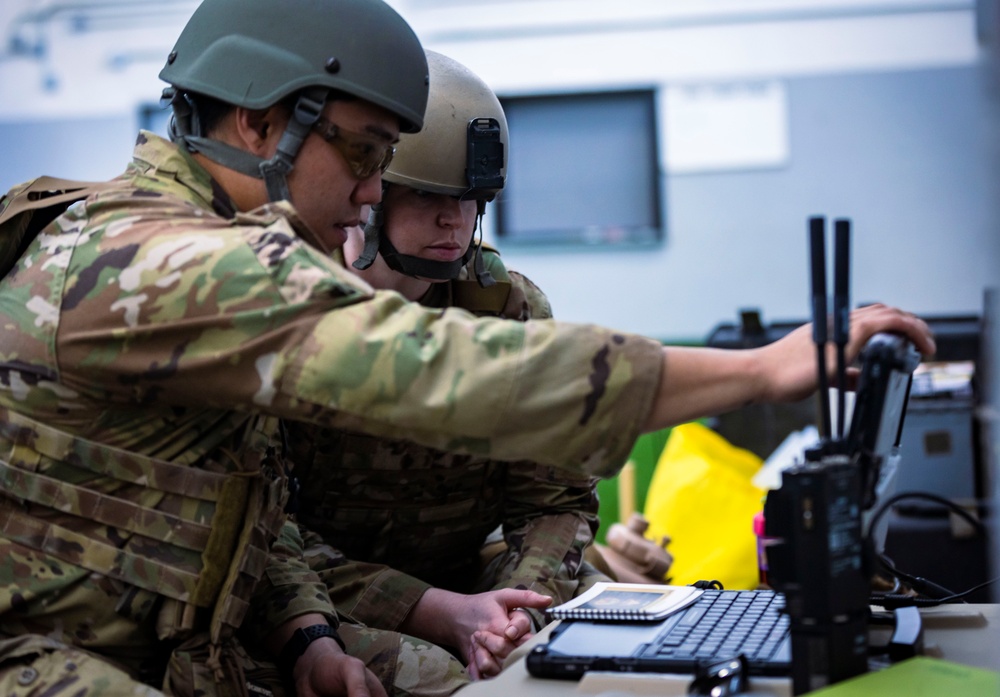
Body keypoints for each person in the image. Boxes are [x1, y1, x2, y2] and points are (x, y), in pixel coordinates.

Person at [0, 0, 936, 696]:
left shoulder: (176, 246)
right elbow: (445, 372)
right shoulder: (165, 261)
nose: (372, 192)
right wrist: (769, 368)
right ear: (259, 123)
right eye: (363, 154)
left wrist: (310, 640)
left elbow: (249, 515)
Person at [286, 50, 612, 682]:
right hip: (328, 596)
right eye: (429, 197)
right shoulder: (294, 308)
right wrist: (439, 614)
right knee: (435, 677)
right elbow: (271, 536)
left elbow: (554, 496)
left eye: (472, 200)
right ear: (372, 194)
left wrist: (519, 607)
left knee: (597, 626)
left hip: (469, 574)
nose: (454, 222)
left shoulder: (504, 307)